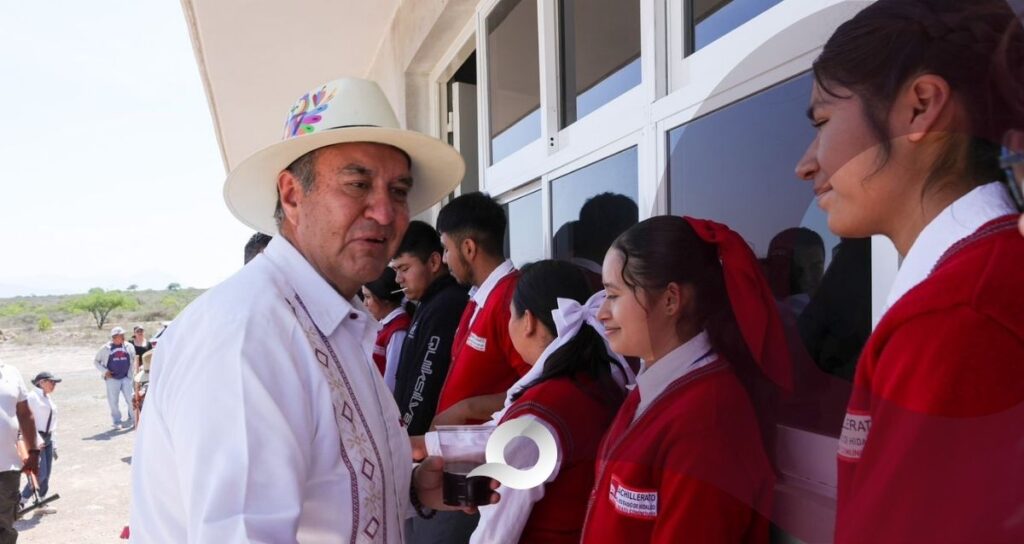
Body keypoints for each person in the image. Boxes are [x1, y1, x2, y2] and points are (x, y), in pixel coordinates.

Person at [130, 77, 493, 543]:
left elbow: (327, 494)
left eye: (399, 190)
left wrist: (411, 491)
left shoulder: (332, 323)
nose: (385, 212)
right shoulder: (249, 334)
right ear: (292, 195)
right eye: (357, 183)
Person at [795, 2, 1024, 541]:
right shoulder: (976, 285)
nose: (805, 163)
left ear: (920, 108)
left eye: (823, 122)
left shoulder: (955, 317)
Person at [580, 216, 789, 543]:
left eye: (614, 295)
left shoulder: (708, 419)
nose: (601, 312)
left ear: (670, 300)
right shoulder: (655, 386)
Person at [471, 260, 632, 544]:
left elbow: (494, 535)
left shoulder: (536, 416)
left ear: (528, 322)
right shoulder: (598, 384)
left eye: (510, 315)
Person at [432, 192, 531, 426]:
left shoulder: (511, 301)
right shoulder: (479, 298)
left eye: (446, 248)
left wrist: (467, 409)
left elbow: (539, 387)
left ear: (468, 248)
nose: (445, 260)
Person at [391, 221, 469, 436]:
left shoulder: (446, 305)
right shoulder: (428, 301)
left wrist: (410, 437)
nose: (398, 279)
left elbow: (426, 378)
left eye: (404, 268)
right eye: (395, 270)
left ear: (434, 261)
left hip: (426, 443)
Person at [0, 359, 39, 542]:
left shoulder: (11, 372)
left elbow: (24, 414)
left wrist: (33, 452)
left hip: (7, 467)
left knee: (5, 526)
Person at [362, 267, 411, 392]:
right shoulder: (383, 324)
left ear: (384, 298)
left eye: (368, 297)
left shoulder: (398, 330)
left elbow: (391, 381)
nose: (364, 304)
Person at [20, 372, 59, 511]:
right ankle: (21, 501)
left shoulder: (47, 398)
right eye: (52, 382)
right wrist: (36, 439)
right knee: (39, 473)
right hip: (36, 438)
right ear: (41, 382)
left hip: (48, 438)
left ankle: (41, 500)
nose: (54, 385)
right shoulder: (32, 397)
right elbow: (27, 420)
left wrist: (54, 443)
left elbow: (53, 422)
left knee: (47, 473)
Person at [93, 326, 136, 429]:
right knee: (113, 401)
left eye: (123, 335)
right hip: (112, 379)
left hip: (126, 377)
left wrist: (132, 374)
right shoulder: (105, 348)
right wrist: (105, 371)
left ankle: (134, 419)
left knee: (131, 399)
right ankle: (117, 421)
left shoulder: (129, 346)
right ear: (114, 337)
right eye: (121, 335)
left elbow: (133, 360)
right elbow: (96, 361)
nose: (123, 337)